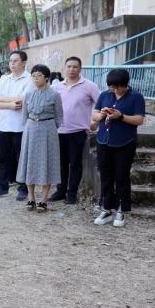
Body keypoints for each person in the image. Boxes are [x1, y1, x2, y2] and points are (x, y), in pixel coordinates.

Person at [91, 69, 145, 228]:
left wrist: (120, 116)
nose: (114, 90)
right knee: (105, 176)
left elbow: (139, 120)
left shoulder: (136, 97)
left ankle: (122, 209)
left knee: (121, 176)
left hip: (125, 142)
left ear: (125, 84)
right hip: (103, 140)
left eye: (117, 87)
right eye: (112, 87)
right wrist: (102, 115)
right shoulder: (104, 95)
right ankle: (107, 208)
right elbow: (94, 114)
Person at [51, 57, 99, 204]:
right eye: (69, 66)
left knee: (75, 164)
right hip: (58, 131)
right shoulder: (57, 87)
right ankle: (60, 191)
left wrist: (95, 122)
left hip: (78, 132)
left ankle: (72, 194)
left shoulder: (89, 86)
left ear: (80, 69)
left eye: (75, 67)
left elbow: (101, 104)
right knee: (61, 163)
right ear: (64, 68)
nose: (72, 69)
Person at [17, 64, 64, 211]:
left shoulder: (55, 95)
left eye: (39, 76)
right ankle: (31, 197)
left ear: (46, 78)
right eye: (33, 76)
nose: (35, 79)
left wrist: (49, 127)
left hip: (48, 129)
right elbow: (24, 115)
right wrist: (30, 126)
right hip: (31, 128)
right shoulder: (28, 94)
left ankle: (43, 199)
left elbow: (59, 116)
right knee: (29, 161)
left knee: (47, 161)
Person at [0, 51, 33, 200]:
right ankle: (2, 186)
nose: (12, 64)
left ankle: (23, 188)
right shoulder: (4, 78)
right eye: (10, 61)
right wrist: (11, 104)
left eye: (15, 61)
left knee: (22, 158)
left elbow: (23, 101)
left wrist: (4, 100)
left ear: (24, 62)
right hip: (2, 125)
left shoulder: (29, 80)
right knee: (3, 158)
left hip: (21, 127)